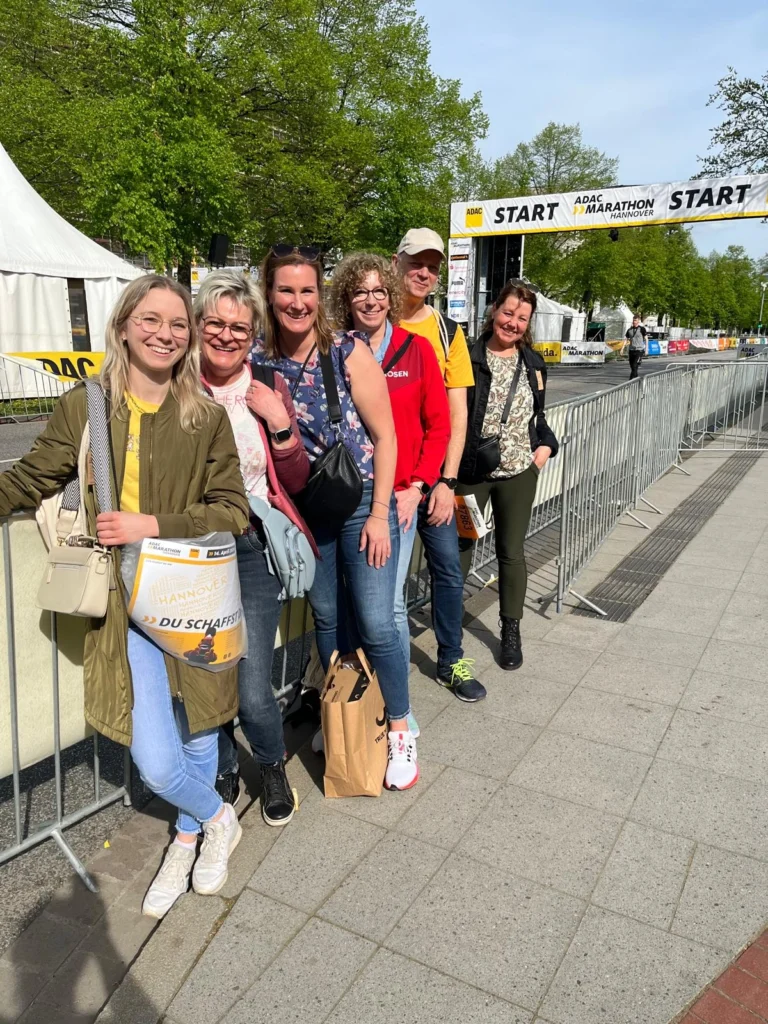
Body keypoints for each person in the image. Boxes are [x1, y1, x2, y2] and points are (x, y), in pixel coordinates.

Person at [0, 275, 250, 919]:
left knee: (201, 729)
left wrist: (152, 525)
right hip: (122, 606)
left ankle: (188, 839)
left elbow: (233, 511)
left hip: (193, 596)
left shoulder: (205, 416)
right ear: (123, 327)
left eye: (178, 324)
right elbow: (30, 478)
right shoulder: (85, 406)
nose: (165, 334)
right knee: (158, 762)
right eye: (151, 320)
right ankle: (218, 816)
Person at [252, 245, 418, 791]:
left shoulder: (347, 349)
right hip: (306, 510)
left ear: (319, 293)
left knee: (376, 621)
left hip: (362, 499)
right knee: (327, 618)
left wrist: (378, 514)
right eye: (286, 290)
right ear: (269, 292)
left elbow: (386, 436)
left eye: (307, 290)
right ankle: (341, 708)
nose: (297, 302)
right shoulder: (257, 359)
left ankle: (400, 726)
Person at [196, 269, 313, 826]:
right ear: (198, 326)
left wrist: (281, 423)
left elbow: (294, 476)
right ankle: (223, 767)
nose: (226, 335)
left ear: (252, 333)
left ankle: (271, 764)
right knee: (205, 673)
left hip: (251, 548)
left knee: (251, 684)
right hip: (192, 554)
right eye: (215, 323)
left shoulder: (266, 384)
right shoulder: (177, 386)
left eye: (239, 327)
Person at [329, 252, 451, 734]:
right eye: (360, 291)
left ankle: (397, 707)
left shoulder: (416, 350)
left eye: (380, 291)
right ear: (347, 298)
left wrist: (418, 486)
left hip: (397, 498)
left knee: (388, 611)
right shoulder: (334, 348)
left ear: (391, 296)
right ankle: (352, 703)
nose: (371, 300)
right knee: (345, 610)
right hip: (345, 495)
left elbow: (438, 426)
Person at [394, 228, 486, 702]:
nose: (424, 273)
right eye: (416, 263)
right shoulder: (369, 319)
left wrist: (447, 481)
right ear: (396, 263)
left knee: (448, 569)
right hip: (383, 479)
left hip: (432, 479)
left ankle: (451, 660)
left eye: (432, 266)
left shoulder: (448, 332)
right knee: (380, 580)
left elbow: (457, 413)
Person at [457, 281, 559, 670]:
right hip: (471, 473)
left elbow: (539, 418)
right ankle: (449, 622)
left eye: (522, 318)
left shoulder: (533, 363)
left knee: (511, 553)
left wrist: (544, 450)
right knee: (460, 547)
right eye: (508, 313)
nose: (513, 323)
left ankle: (511, 630)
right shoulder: (468, 357)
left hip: (518, 474)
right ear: (494, 310)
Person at [625, 315, 647, 379]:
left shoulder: (642, 329)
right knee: (632, 366)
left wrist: (646, 349)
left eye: (635, 320)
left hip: (639, 350)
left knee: (635, 365)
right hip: (631, 350)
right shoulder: (629, 330)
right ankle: (637, 379)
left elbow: (646, 339)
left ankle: (630, 381)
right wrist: (622, 348)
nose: (634, 322)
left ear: (638, 321)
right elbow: (626, 339)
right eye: (633, 320)